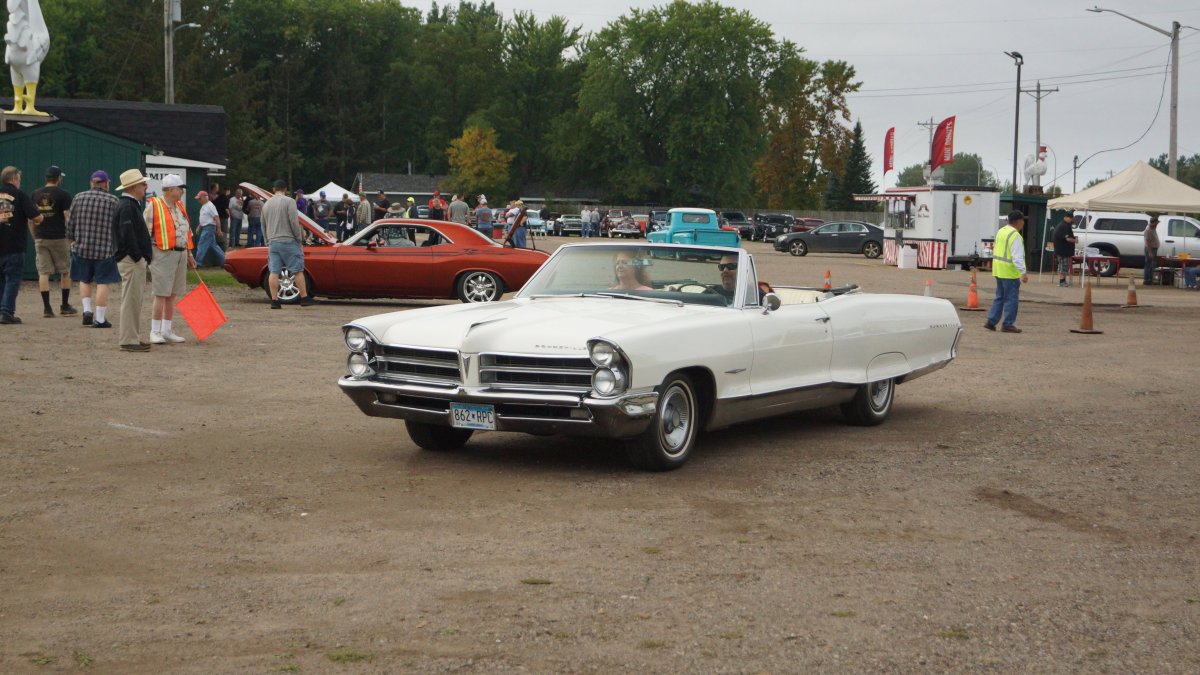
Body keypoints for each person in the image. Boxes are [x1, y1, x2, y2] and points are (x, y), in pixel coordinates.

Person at [144, 174, 196, 344]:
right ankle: (155, 331)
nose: (182, 192)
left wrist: (189, 254)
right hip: (162, 253)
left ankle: (167, 330)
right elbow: (145, 232)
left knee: (172, 294)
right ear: (171, 190)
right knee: (161, 293)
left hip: (180, 253)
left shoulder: (180, 206)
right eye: (180, 188)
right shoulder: (154, 205)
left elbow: (186, 232)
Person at [65, 170, 120, 328]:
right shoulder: (113, 200)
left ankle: (87, 311)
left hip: (82, 247)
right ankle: (101, 319)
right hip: (105, 250)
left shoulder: (78, 197)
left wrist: (71, 239)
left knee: (85, 279)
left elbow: (71, 223)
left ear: (92, 183)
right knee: (103, 282)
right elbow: (117, 226)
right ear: (105, 183)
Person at [112, 169, 154, 351]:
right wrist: (139, 256)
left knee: (134, 300)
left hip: (131, 258)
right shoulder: (128, 206)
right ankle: (129, 339)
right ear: (133, 187)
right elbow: (127, 234)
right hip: (131, 260)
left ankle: (132, 337)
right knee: (131, 301)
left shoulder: (128, 204)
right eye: (143, 184)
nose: (146, 187)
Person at [31, 165, 77, 317]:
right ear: (58, 178)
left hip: (41, 237)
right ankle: (64, 305)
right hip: (59, 237)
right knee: (65, 271)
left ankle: (47, 308)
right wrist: (70, 236)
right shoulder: (64, 194)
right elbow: (67, 216)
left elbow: (30, 219)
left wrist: (34, 236)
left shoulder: (35, 194)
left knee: (44, 273)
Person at [0, 165, 43, 324]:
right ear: (14, 179)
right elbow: (36, 216)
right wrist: (42, 218)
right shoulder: (19, 195)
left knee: (1, 280)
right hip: (14, 245)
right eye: (19, 179)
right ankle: (7, 312)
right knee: (12, 279)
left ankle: (1, 309)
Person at [263, 179, 313, 309]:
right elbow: (294, 222)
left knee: (274, 271)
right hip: (288, 240)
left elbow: (263, 225)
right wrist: (298, 238)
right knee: (297, 270)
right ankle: (304, 298)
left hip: (273, 241)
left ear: (274, 190)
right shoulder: (290, 202)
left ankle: (274, 300)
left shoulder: (266, 204)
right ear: (285, 190)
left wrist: (267, 240)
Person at [985, 211, 1029, 333]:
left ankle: (991, 321)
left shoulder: (1001, 231)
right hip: (1009, 272)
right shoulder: (1015, 236)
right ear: (1018, 221)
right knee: (1011, 299)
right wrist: (1023, 272)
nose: (1023, 223)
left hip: (998, 269)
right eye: (1023, 221)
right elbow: (1017, 257)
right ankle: (1008, 324)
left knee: (999, 297)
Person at [192, 190, 225, 268]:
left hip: (209, 228)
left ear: (204, 197)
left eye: (199, 199)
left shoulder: (210, 206)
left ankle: (198, 263)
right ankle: (225, 260)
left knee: (201, 244)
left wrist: (219, 229)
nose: (198, 200)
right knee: (213, 246)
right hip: (207, 227)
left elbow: (216, 217)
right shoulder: (205, 205)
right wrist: (199, 226)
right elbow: (205, 218)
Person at [1051, 212, 1078, 287]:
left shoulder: (1062, 225)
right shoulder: (1064, 226)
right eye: (1071, 218)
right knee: (1064, 266)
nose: (1071, 220)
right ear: (1066, 217)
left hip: (1060, 250)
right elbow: (1068, 239)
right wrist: (1075, 240)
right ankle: (1062, 282)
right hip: (1063, 251)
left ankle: (1062, 281)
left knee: (1061, 266)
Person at [1144, 215, 1160, 285]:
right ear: (1153, 223)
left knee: (1151, 264)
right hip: (1150, 248)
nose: (1157, 225)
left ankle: (1150, 278)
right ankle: (1147, 279)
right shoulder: (1148, 230)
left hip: (1154, 248)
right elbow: (1148, 242)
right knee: (1148, 264)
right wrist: (1150, 252)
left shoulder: (1153, 228)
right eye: (1156, 223)